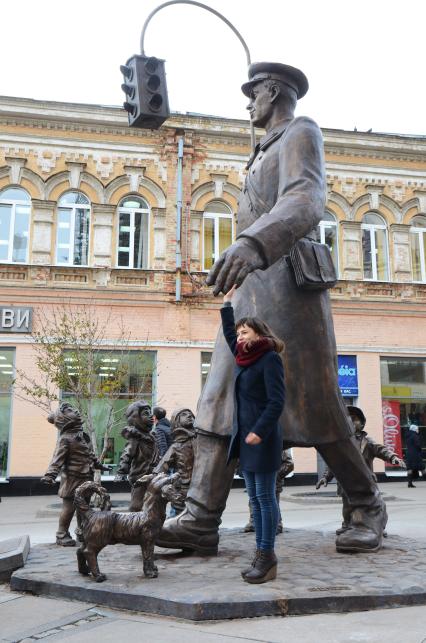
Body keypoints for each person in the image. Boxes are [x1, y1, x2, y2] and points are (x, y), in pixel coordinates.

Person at [157, 61, 386, 557]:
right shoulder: (258, 151)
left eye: (253, 93)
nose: (248, 103)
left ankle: (366, 503)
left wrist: (251, 245)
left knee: (315, 403)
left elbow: (307, 199)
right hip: (251, 290)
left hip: (289, 286)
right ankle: (200, 515)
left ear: (275, 91)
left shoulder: (301, 132)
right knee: (219, 393)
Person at [221, 285, 285, 583]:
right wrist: (226, 305)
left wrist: (259, 431)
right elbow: (229, 335)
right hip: (245, 440)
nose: (241, 337)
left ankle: (267, 555)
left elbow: (276, 401)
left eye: (245, 332)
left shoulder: (269, 358)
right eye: (240, 333)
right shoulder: (244, 357)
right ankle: (260, 554)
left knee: (264, 497)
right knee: (255, 499)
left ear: (259, 334)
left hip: (262, 438)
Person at [317, 406, 405, 533]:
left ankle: (378, 526)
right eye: (347, 419)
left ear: (362, 424)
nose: (351, 422)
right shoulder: (341, 444)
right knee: (348, 506)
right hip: (346, 481)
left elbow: (381, 450)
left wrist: (393, 458)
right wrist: (325, 477)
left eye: (354, 419)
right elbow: (333, 464)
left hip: (365, 480)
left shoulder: (367, 442)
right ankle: (347, 524)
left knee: (371, 504)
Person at [41, 403, 111, 546]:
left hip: (86, 477)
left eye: (74, 409)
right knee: (69, 508)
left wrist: (99, 466)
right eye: (70, 410)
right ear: (64, 418)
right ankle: (62, 534)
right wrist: (50, 475)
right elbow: (57, 459)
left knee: (84, 506)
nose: (76, 411)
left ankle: (83, 531)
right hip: (72, 478)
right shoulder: (65, 438)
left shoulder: (82, 435)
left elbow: (90, 456)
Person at [114, 400, 159, 511]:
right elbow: (127, 454)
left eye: (150, 413)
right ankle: (132, 524)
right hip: (140, 476)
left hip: (152, 475)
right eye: (145, 413)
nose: (150, 416)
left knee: (153, 502)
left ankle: (147, 523)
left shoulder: (150, 437)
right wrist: (122, 471)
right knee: (137, 503)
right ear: (135, 417)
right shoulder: (135, 438)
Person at [154, 408, 196, 516]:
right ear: (177, 421)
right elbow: (161, 468)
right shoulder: (176, 447)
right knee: (180, 514)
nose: (189, 416)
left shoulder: (200, 441)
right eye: (184, 415)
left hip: (201, 486)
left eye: (191, 414)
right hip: (183, 487)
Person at [244, 448, 294, 534]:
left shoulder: (280, 445)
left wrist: (275, 477)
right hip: (258, 479)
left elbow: (289, 464)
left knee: (272, 503)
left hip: (272, 481)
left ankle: (277, 525)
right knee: (253, 501)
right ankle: (253, 523)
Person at [406, 423, 424, 487]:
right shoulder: (415, 436)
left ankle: (409, 483)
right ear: (414, 430)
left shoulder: (408, 436)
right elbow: (417, 445)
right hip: (415, 454)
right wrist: (420, 450)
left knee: (410, 469)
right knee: (422, 468)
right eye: (417, 429)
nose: (418, 430)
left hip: (409, 454)